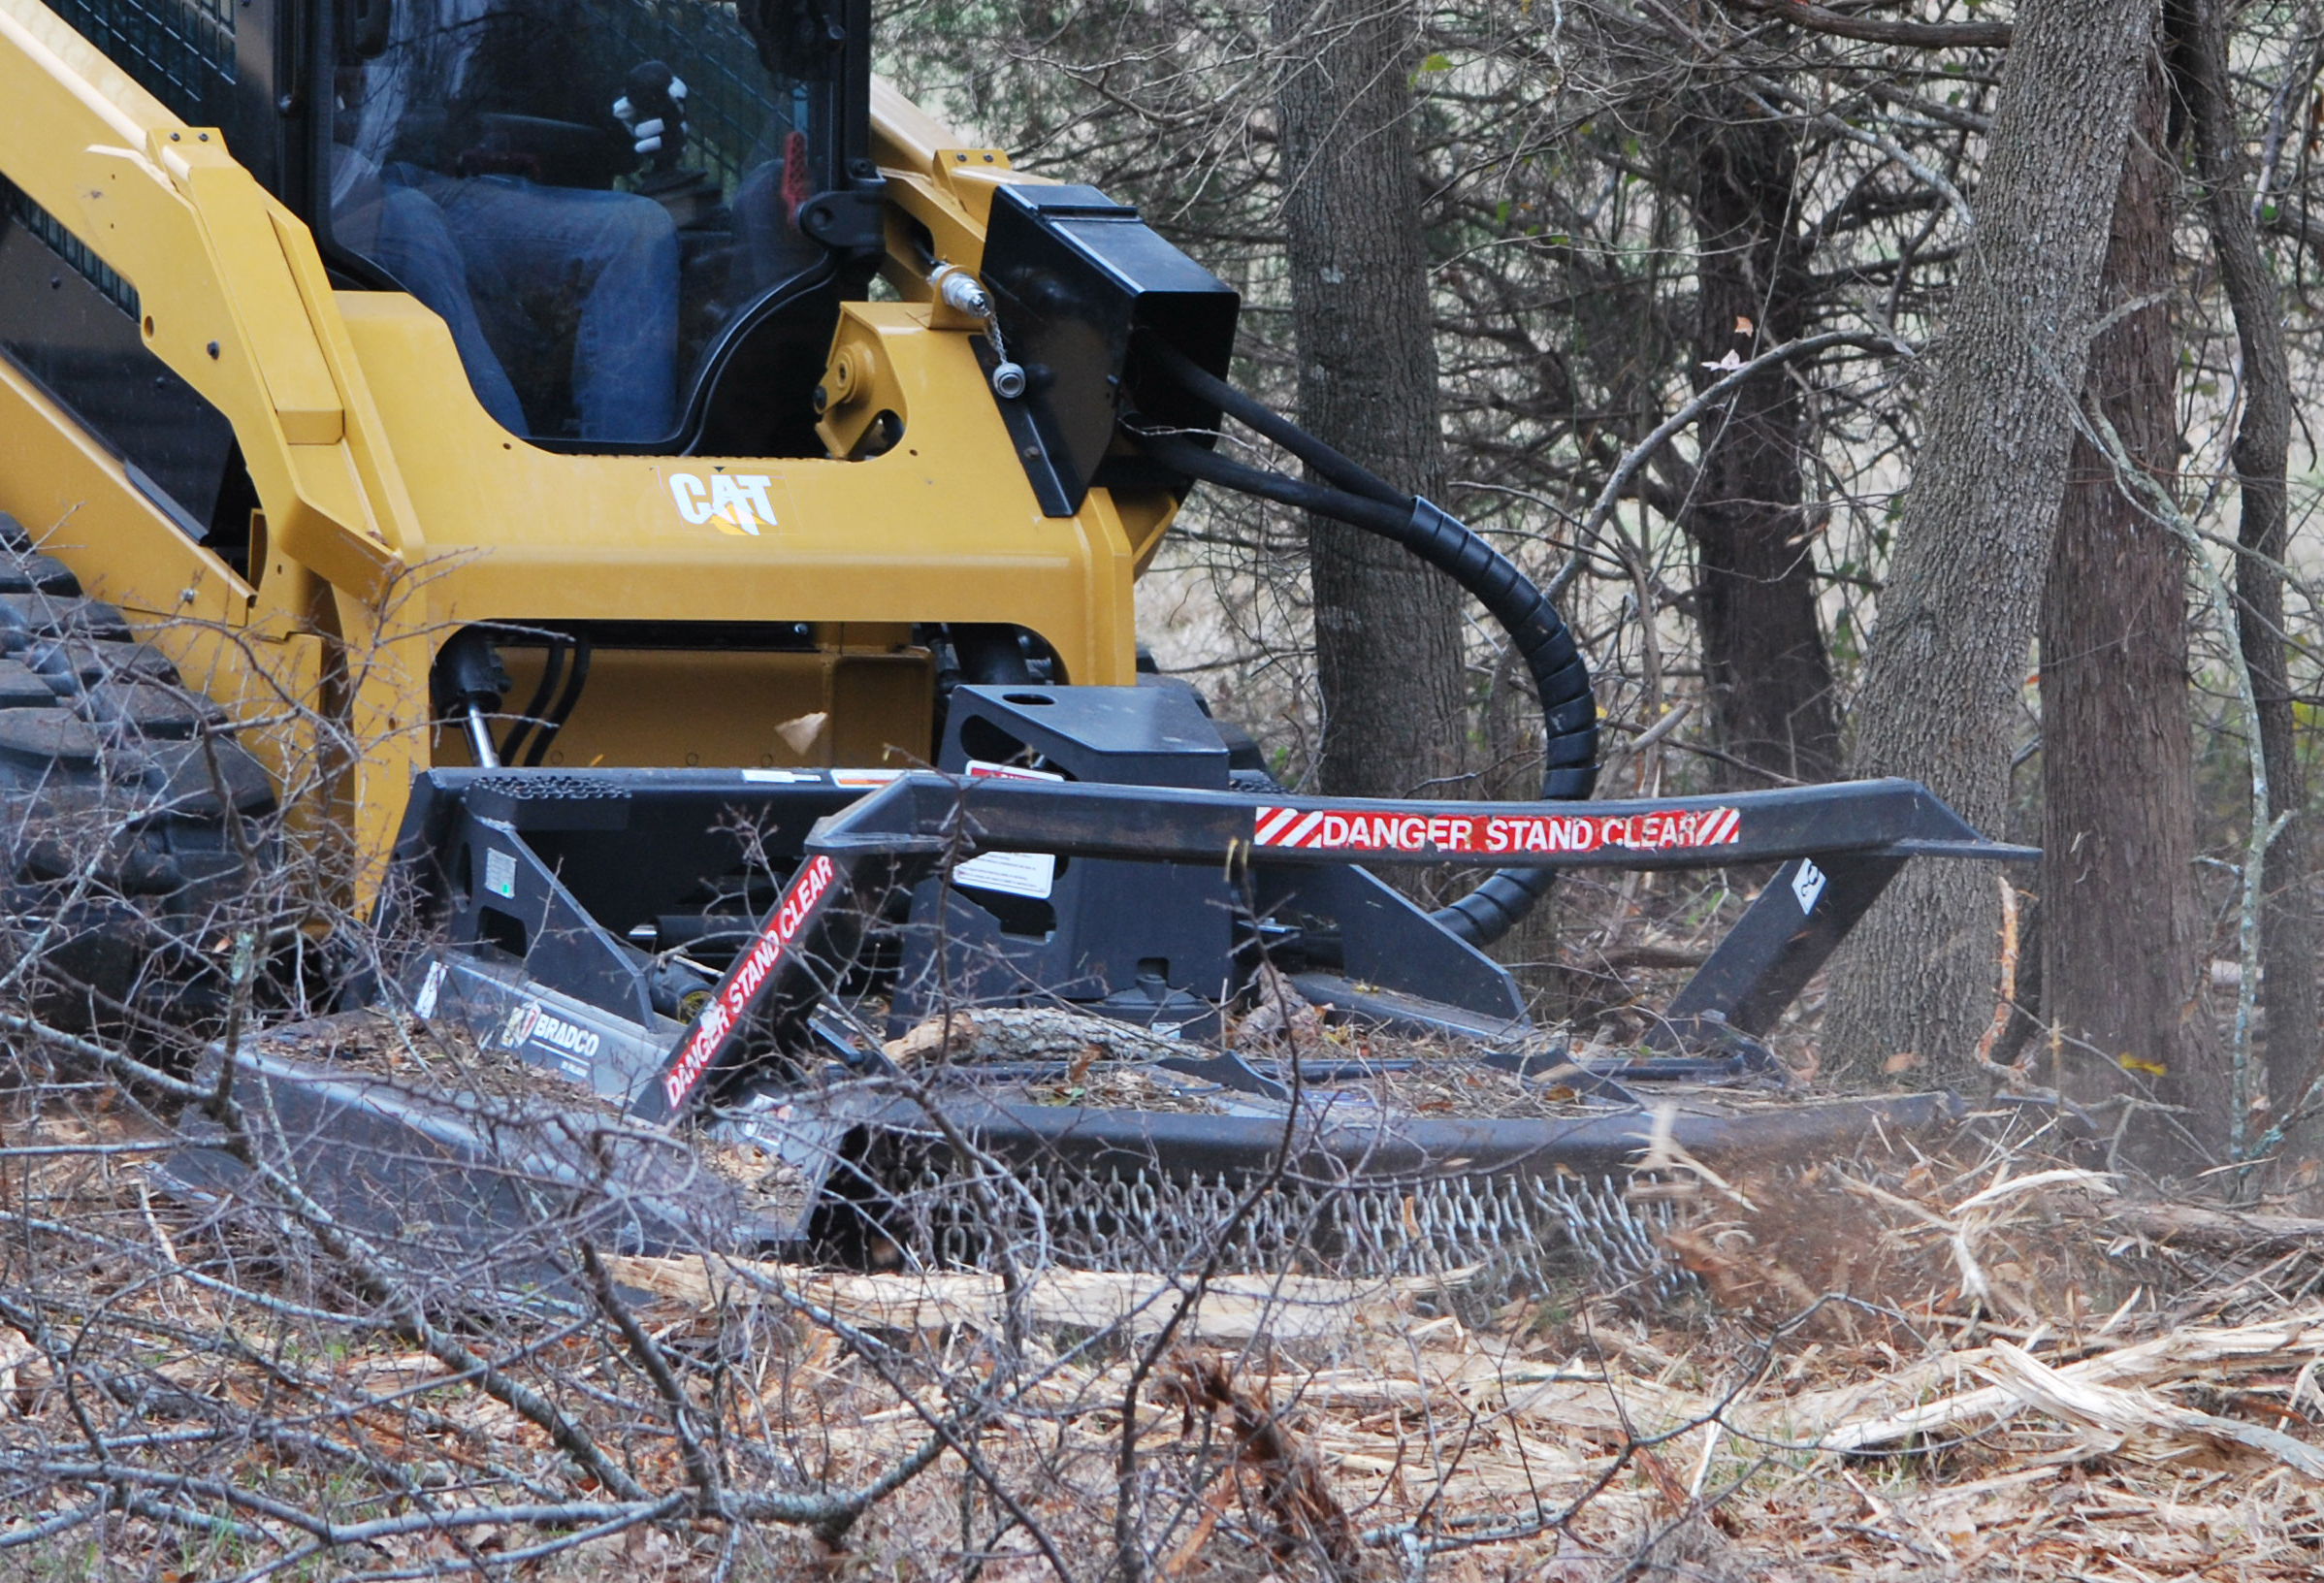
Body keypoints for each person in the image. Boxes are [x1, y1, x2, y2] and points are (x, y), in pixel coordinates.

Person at [331, 0, 682, 442]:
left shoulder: (514, 18)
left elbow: (586, 114)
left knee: (637, 230)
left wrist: (634, 126)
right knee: (411, 221)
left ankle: (633, 477)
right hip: (352, 182)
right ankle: (508, 466)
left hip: (456, 179)